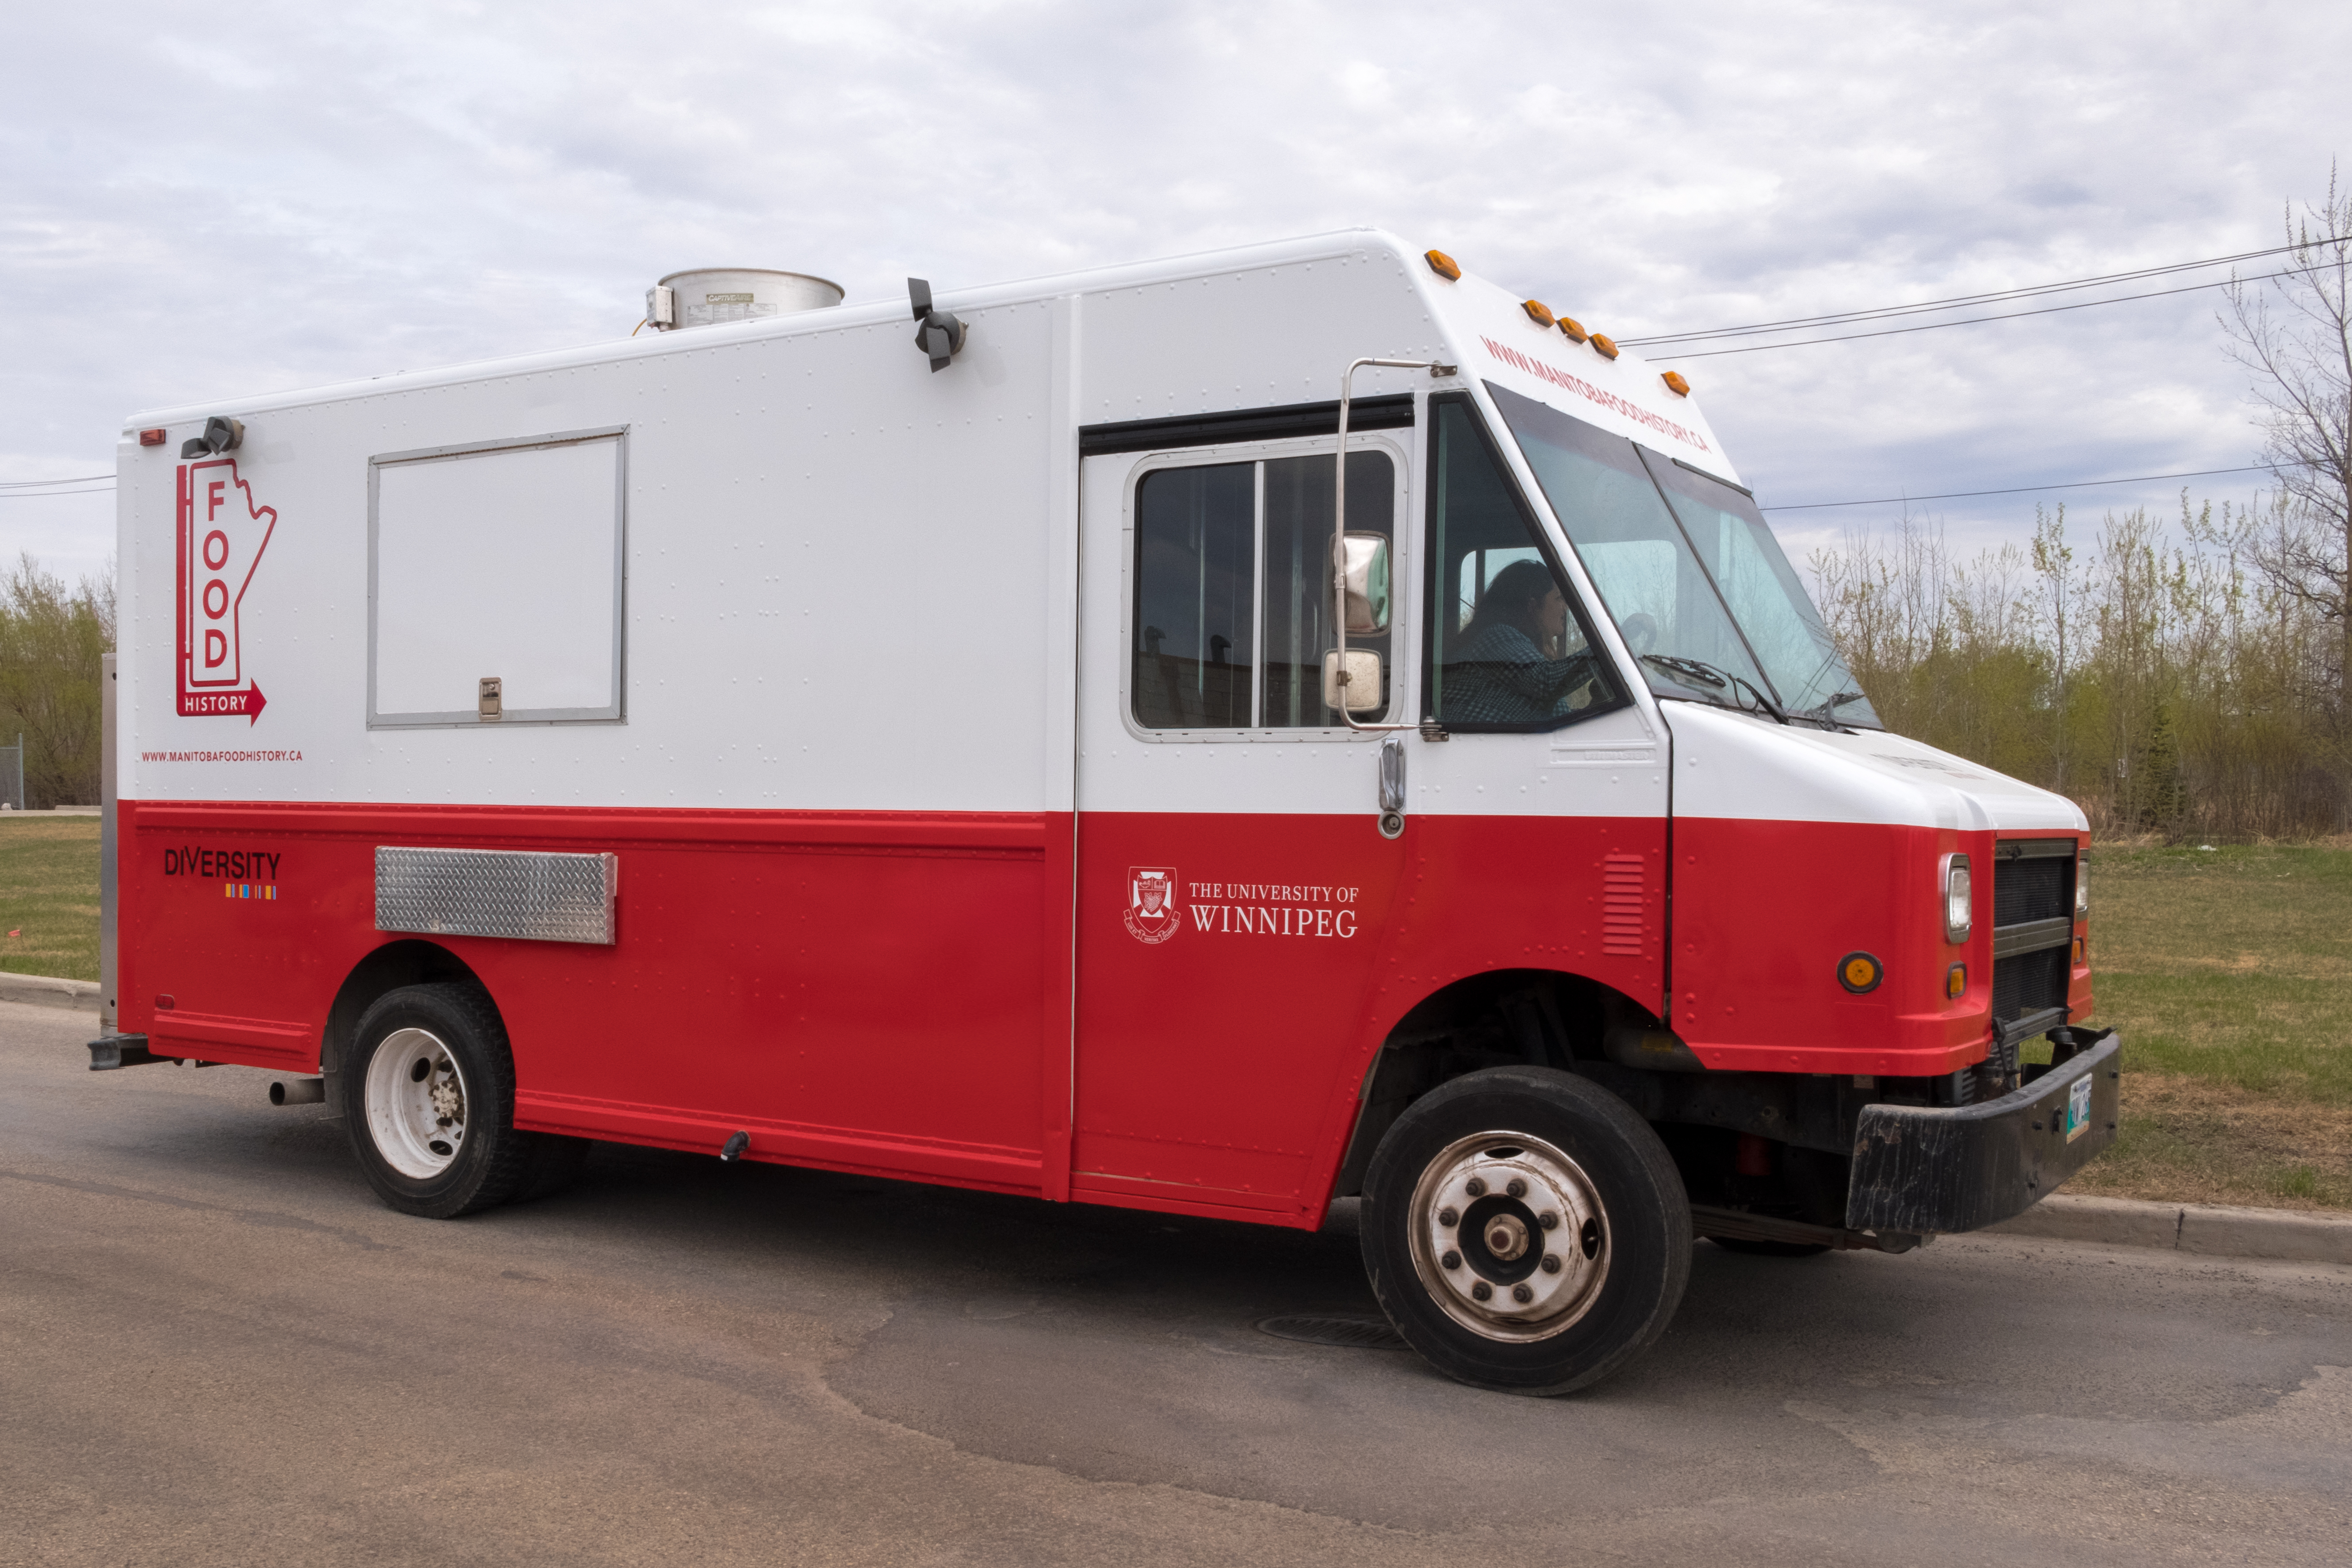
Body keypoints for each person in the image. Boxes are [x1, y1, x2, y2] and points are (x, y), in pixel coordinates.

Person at [1442, 558, 1606, 724]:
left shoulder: (1520, 654)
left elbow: (1553, 720)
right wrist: (1608, 652)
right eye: (1558, 598)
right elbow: (1545, 682)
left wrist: (1601, 701)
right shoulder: (1497, 637)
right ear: (1533, 605)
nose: (1565, 607)